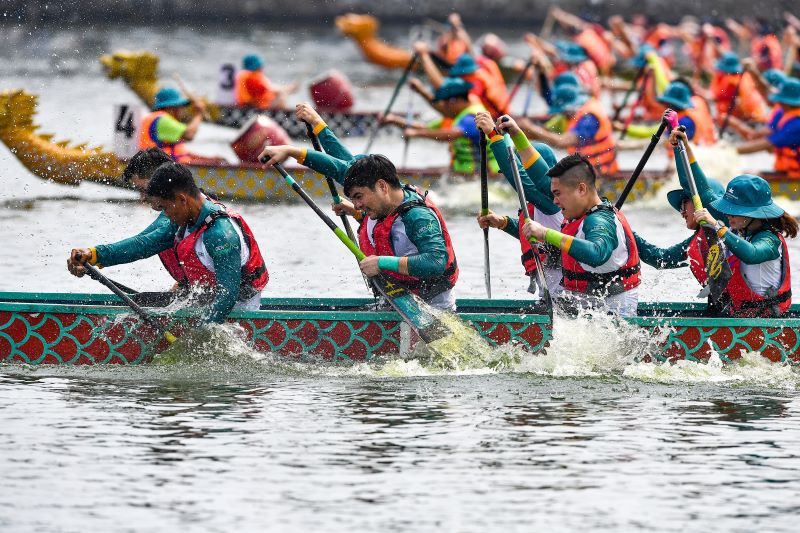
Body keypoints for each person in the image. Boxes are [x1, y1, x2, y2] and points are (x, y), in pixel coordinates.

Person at [259, 126, 459, 311]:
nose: (356, 204)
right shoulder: (384, 202)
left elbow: (436, 261)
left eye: (358, 197)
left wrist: (381, 263)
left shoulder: (418, 216)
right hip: (396, 299)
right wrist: (312, 129)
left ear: (382, 186)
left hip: (432, 307)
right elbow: (339, 168)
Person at [67, 162, 269, 323]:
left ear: (181, 199)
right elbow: (142, 245)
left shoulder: (220, 235)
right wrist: (93, 255)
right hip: (206, 301)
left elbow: (227, 296)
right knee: (140, 302)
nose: (165, 216)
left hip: (238, 312)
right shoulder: (184, 219)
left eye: (164, 208)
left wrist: (199, 336)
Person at [521, 153, 641, 317]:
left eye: (558, 194)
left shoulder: (599, 221)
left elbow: (596, 253)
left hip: (613, 320)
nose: (554, 201)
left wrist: (545, 233)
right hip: (590, 312)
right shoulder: (580, 217)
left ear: (582, 189)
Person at [634, 128, 728, 313]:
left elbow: (699, 189)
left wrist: (681, 148)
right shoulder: (697, 241)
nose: (681, 212)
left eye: (684, 205)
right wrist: (625, 228)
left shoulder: (725, 222)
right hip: (722, 310)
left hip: (744, 315)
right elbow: (659, 259)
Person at [473, 112, 564, 296]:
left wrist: (493, 135)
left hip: (568, 299)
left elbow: (520, 181)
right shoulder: (539, 206)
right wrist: (503, 223)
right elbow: (534, 235)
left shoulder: (554, 201)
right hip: (552, 297)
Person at [694, 174, 796, 317]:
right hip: (742, 315)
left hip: (767, 322)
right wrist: (683, 152)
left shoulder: (771, 240)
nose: (727, 213)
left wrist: (717, 226)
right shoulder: (740, 231)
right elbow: (703, 192)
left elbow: (751, 254)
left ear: (752, 214)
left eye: (734, 210)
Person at [385, 78, 499, 174]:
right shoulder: (458, 117)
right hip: (464, 172)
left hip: (484, 174)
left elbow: (450, 134)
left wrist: (416, 134)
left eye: (445, 104)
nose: (442, 108)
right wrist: (393, 120)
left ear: (455, 101)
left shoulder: (472, 118)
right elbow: (424, 128)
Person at [519, 84, 619, 175]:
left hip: (602, 173)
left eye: (562, 111)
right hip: (587, 169)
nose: (560, 114)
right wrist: (518, 132)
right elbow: (544, 132)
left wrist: (531, 128)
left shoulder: (588, 119)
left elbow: (562, 142)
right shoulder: (576, 111)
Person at [139, 87, 224, 165]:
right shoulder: (163, 120)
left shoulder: (154, 118)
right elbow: (189, 134)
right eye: (180, 106)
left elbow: (180, 153)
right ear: (171, 108)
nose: (182, 110)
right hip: (168, 171)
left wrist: (209, 160)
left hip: (167, 167)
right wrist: (198, 113)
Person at [736, 77, 800, 178]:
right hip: (787, 172)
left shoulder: (796, 124)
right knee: (747, 176)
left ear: (786, 102)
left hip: (795, 177)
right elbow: (759, 137)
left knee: (748, 180)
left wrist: (730, 153)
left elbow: (766, 144)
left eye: (781, 101)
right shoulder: (783, 113)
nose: (778, 103)